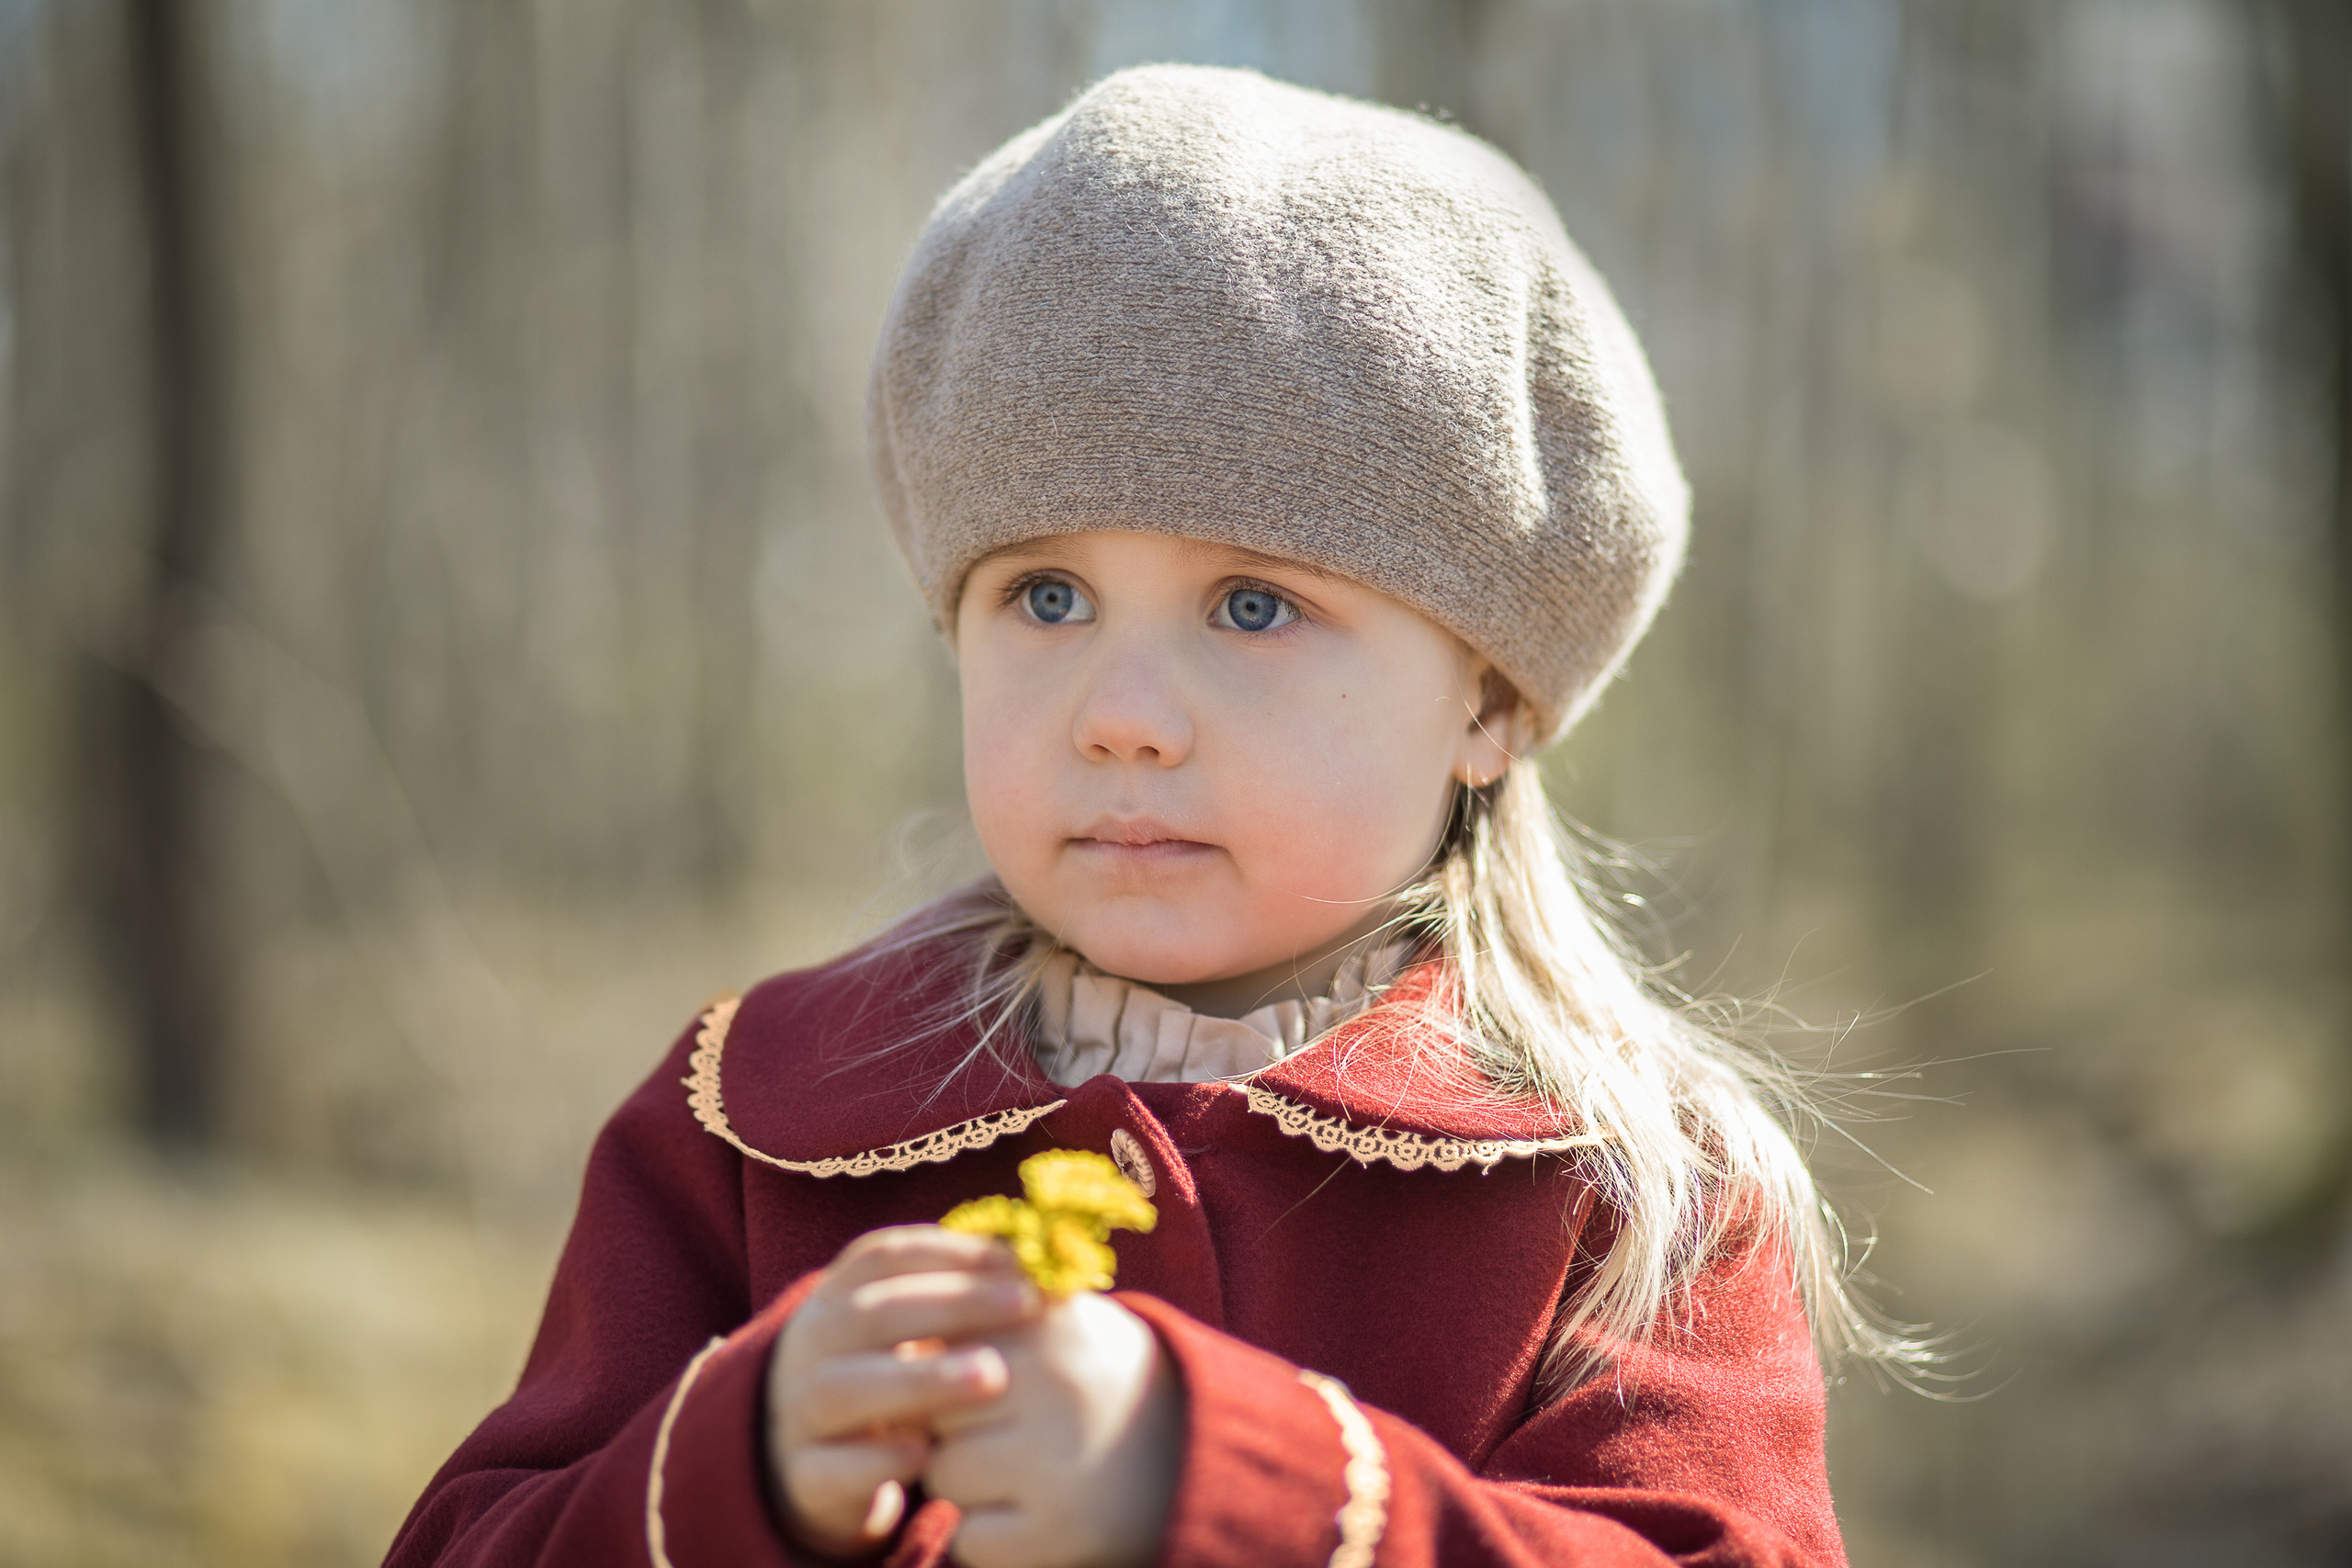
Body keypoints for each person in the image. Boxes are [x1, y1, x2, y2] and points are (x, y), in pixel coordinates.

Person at [387, 64, 1917, 1568]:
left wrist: (1252, 1494)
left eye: (1254, 606)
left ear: (1489, 701)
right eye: (1043, 596)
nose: (1121, 712)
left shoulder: (1628, 1189)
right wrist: (741, 1472)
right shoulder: (750, 1123)